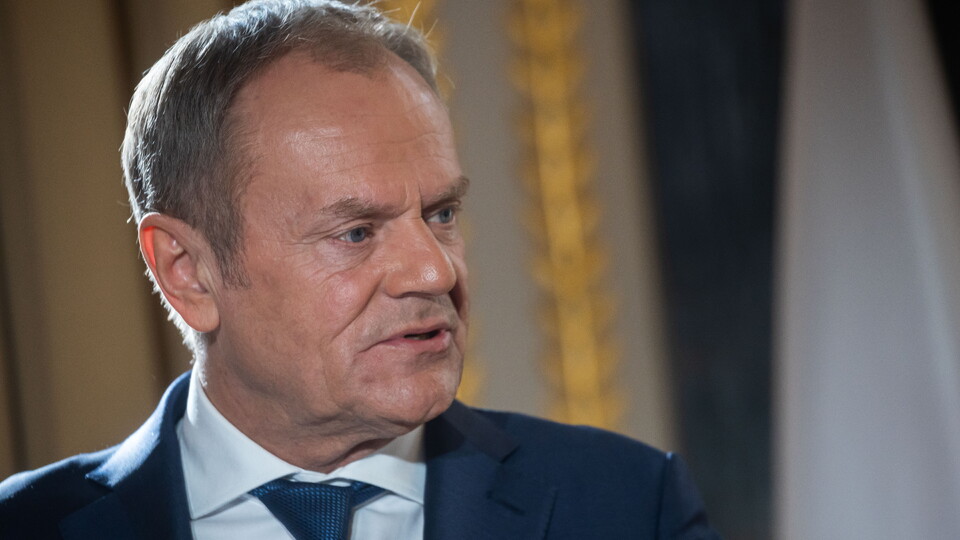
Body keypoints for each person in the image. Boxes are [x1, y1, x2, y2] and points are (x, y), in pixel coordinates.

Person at [0, 1, 718, 538]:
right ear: (187, 271)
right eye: (355, 232)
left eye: (441, 213)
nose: (432, 271)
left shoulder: (627, 503)